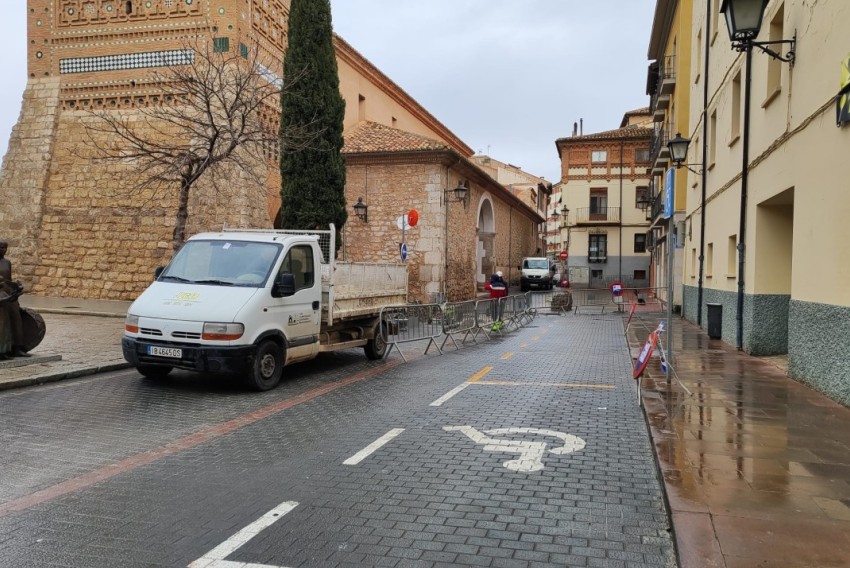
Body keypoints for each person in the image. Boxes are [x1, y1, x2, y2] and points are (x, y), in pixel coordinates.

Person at [0, 240, 29, 359]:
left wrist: (16, 286)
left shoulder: (7, 263)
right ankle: (3, 349)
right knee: (3, 323)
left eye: (5, 247)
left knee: (16, 318)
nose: (3, 250)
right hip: (0, 295)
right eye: (1, 247)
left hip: (8, 292)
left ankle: (17, 347)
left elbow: (9, 280)